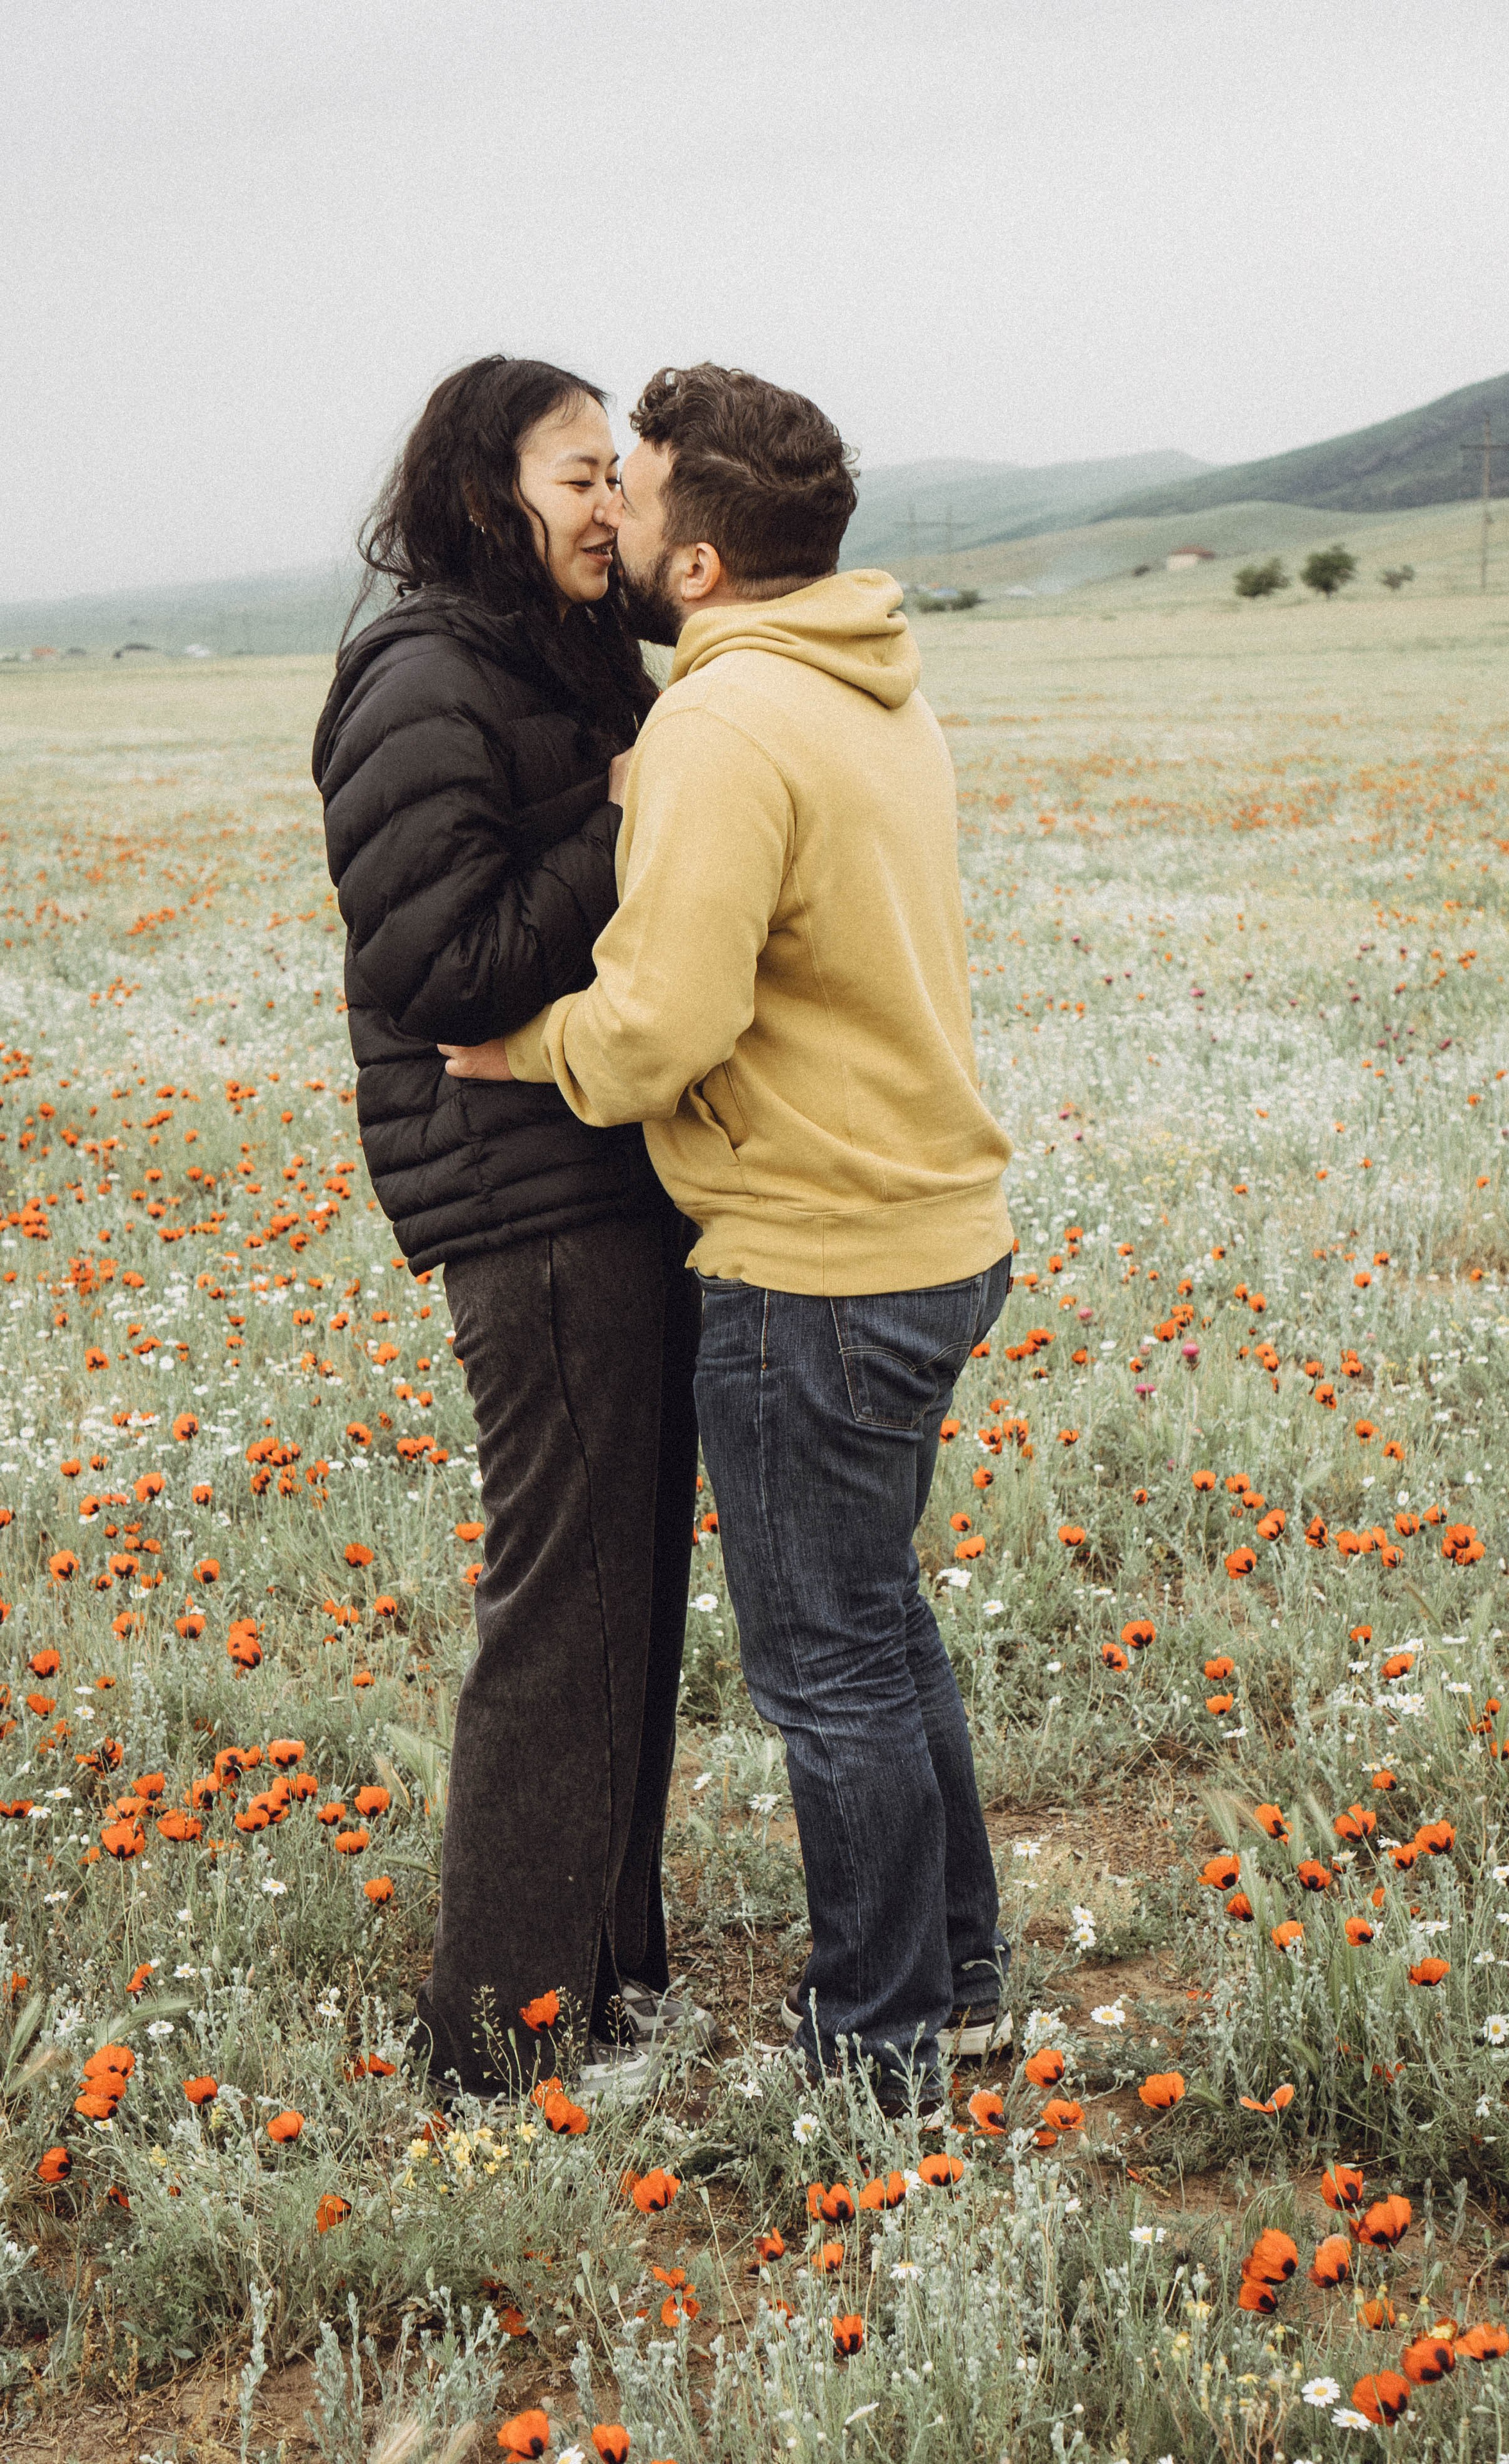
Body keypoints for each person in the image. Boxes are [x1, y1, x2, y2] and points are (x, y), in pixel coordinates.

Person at [441, 363, 1014, 2108]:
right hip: (935, 1227)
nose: (617, 506)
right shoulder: (867, 683)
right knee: (882, 1630)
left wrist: (519, 1047)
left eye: (645, 482)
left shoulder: (719, 723)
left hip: (811, 1257)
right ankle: (965, 1986)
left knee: (826, 1667)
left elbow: (659, 1025)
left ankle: (883, 2055)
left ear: (696, 566)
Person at [313, 355, 705, 2099]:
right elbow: (436, 965)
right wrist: (627, 831)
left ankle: (608, 1981)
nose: (611, 503)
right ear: (488, 493)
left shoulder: (557, 656)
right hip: (525, 1201)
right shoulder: (420, 674)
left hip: (603, 1177)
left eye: (620, 470)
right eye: (578, 476)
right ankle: (501, 2035)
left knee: (629, 1596)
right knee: (569, 1603)